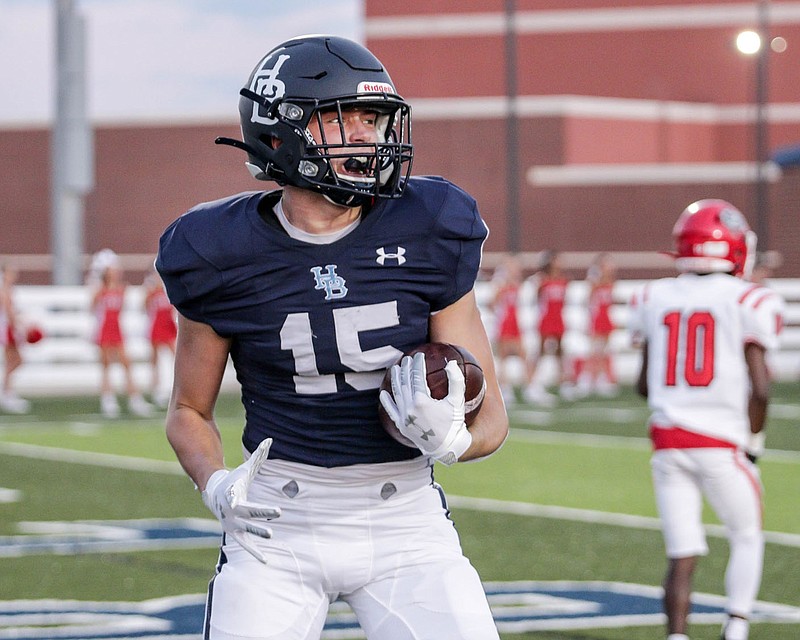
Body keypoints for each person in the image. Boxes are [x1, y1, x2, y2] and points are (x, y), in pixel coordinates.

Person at [155, 35, 508, 640]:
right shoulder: (216, 249)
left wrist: (453, 441)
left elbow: (492, 421)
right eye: (347, 120)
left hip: (407, 522)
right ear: (281, 132)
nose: (371, 138)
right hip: (278, 523)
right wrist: (214, 482)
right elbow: (189, 410)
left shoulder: (430, 224)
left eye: (375, 119)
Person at [627, 199, 785, 640]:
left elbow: (643, 385)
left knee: (681, 551)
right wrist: (753, 440)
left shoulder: (653, 295)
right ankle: (735, 629)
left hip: (667, 441)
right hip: (720, 442)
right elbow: (762, 387)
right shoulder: (749, 298)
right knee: (747, 536)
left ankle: (677, 635)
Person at [88, 249, 153, 419]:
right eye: (112, 269)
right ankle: (108, 400)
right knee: (106, 366)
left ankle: (134, 399)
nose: (116, 271)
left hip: (116, 330)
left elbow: (120, 311)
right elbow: (93, 310)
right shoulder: (99, 289)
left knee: (127, 364)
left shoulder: (121, 288)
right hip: (103, 330)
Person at [523, 250, 571, 405]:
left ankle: (564, 383)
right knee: (540, 351)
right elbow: (535, 300)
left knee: (560, 352)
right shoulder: (541, 280)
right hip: (545, 320)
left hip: (558, 319)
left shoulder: (563, 280)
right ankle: (532, 385)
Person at [580, 252, 618, 397]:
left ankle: (602, 379)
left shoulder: (611, 281)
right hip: (596, 319)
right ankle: (586, 378)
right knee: (593, 351)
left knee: (604, 350)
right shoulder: (594, 278)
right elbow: (589, 297)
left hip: (606, 318)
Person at [490, 254, 526, 404]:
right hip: (505, 322)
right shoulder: (501, 284)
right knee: (503, 357)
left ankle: (527, 386)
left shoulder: (515, 284)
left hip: (515, 322)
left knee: (523, 354)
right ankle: (504, 388)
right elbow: (493, 303)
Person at [143, 267, 177, 408]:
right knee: (155, 360)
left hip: (168, 326)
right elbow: (145, 306)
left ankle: (175, 389)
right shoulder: (152, 289)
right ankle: (157, 390)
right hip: (156, 326)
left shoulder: (169, 287)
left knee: (177, 358)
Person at [0, 264, 31, 414]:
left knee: (11, 360)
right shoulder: (4, 291)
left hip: (8, 328)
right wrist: (18, 327)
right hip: (7, 329)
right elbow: (9, 313)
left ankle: (7, 392)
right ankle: (5, 391)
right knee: (17, 360)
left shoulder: (9, 290)